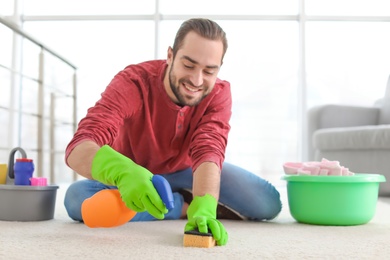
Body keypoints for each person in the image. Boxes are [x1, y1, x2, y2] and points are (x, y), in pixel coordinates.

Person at [64, 18, 282, 246]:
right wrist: (123, 172)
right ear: (170, 56)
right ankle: (177, 206)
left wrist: (206, 205)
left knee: (268, 203)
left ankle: (165, 202)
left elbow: (209, 149)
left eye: (209, 71)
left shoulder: (218, 93)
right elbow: (79, 147)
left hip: (188, 171)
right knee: (76, 199)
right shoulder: (134, 82)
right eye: (188, 65)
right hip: (135, 175)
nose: (197, 80)